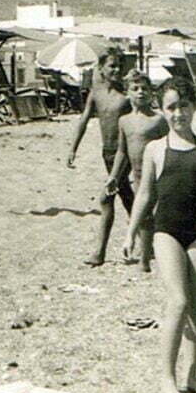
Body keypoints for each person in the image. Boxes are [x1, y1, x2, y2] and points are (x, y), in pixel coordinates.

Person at [124, 77, 196, 393]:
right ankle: (166, 378)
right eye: (171, 107)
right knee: (178, 301)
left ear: (194, 107)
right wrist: (131, 232)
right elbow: (144, 195)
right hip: (167, 232)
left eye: (184, 106)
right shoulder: (155, 150)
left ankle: (191, 375)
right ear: (162, 109)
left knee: (195, 305)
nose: (178, 114)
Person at [66, 47, 134, 267]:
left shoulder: (127, 96)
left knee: (106, 198)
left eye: (119, 66)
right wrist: (73, 148)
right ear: (101, 68)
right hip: (107, 153)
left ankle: (99, 253)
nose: (116, 70)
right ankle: (148, 241)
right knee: (127, 197)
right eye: (112, 66)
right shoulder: (95, 93)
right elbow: (84, 120)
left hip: (125, 154)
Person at [108, 69, 168, 272]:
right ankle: (147, 254)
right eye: (135, 88)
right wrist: (114, 176)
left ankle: (145, 259)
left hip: (159, 174)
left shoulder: (158, 121)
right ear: (128, 93)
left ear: (151, 93)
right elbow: (122, 151)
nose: (140, 92)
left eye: (145, 88)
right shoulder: (124, 121)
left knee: (148, 215)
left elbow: (170, 145)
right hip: (137, 175)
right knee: (144, 215)